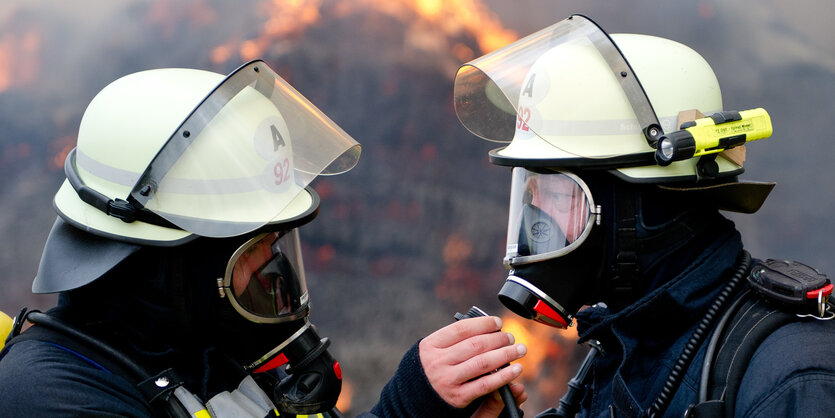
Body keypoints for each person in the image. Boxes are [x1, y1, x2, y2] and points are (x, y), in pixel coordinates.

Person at [0, 59, 527, 417]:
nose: (276, 276)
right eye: (252, 252)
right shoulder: (46, 398)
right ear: (168, 267)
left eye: (275, 246)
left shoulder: (202, 353)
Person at [453, 14, 835, 417]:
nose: (539, 220)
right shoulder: (623, 343)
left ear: (640, 207)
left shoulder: (791, 381)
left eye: (559, 195)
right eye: (531, 194)